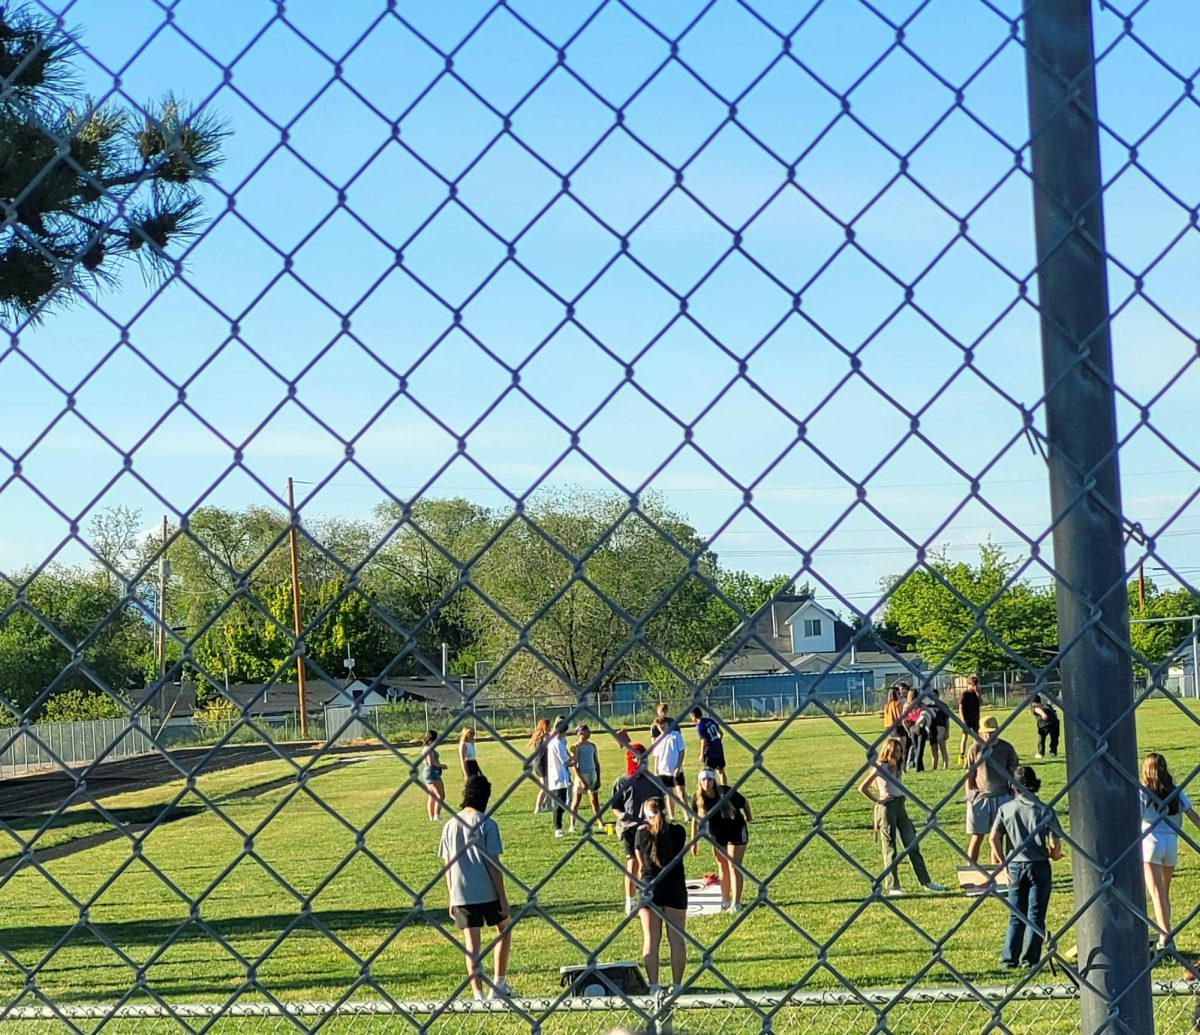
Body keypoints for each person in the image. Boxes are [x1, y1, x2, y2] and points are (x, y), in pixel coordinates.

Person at [437, 774, 513, 1000]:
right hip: (486, 890)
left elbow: (448, 865)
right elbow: (493, 866)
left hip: (461, 893)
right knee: (504, 928)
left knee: (472, 945)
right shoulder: (487, 823)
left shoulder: (450, 824)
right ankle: (498, 984)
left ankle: (477, 994)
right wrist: (503, 898)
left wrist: (452, 896)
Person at [989, 764, 1063, 969]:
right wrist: (1054, 854)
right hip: (1039, 865)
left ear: (1014, 786)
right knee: (1035, 915)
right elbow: (1055, 844)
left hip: (1014, 865)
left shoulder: (1006, 809)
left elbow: (993, 838)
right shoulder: (1045, 810)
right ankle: (1029, 959)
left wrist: (1002, 860)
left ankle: (1008, 957)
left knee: (1016, 914)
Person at [857, 737, 945, 896]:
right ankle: (893, 887)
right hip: (887, 807)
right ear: (888, 751)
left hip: (901, 806)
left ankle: (926, 882)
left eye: (899, 751)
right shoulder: (880, 766)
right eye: (895, 751)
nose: (898, 754)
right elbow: (862, 787)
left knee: (912, 842)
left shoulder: (898, 767)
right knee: (890, 847)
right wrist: (878, 799)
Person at [1139, 752, 1200, 951]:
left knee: (1157, 895)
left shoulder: (1142, 792)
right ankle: (1165, 932)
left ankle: (1166, 938)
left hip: (1150, 843)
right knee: (1164, 893)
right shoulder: (1175, 791)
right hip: (1171, 844)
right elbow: (1193, 816)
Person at [634, 796, 688, 994]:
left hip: (650, 889)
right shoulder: (679, 832)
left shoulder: (641, 835)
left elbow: (640, 863)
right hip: (675, 888)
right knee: (676, 940)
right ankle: (677, 985)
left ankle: (654, 986)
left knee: (651, 939)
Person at [690, 769, 752, 912]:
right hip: (718, 836)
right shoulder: (697, 799)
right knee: (722, 867)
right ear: (700, 782)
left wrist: (749, 817)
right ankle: (725, 900)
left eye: (710, 779)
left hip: (735, 831)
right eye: (703, 780)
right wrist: (694, 842)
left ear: (714, 780)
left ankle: (736, 903)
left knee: (733, 866)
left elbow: (744, 803)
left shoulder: (725, 792)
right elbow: (694, 820)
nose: (707, 783)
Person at [964, 716, 1019, 864]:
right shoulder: (975, 748)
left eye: (992, 732)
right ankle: (971, 867)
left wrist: (1014, 795)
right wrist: (969, 799)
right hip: (980, 797)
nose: (988, 735)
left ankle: (997, 869)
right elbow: (969, 775)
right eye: (986, 732)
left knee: (997, 836)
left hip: (1002, 797)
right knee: (977, 835)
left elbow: (1014, 774)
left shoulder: (1006, 748)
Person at [611, 744, 657, 915]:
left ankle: (644, 897)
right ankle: (629, 901)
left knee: (647, 864)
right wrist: (622, 816)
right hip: (630, 828)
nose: (640, 761)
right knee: (633, 862)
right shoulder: (622, 781)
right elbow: (615, 807)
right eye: (637, 757)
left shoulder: (653, 780)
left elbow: (659, 803)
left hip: (649, 827)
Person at [568, 724, 602, 834]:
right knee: (576, 801)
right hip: (582, 775)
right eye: (587, 731)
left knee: (594, 800)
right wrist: (581, 780)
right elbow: (574, 765)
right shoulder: (576, 747)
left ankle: (600, 822)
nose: (589, 733)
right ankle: (572, 825)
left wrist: (598, 778)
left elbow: (596, 762)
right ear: (580, 733)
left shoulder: (592, 746)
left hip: (592, 774)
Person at [651, 717, 686, 820]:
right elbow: (656, 756)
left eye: (663, 724)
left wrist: (678, 767)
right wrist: (656, 770)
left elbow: (681, 752)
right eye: (659, 725)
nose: (661, 727)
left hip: (676, 770)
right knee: (669, 794)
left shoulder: (675, 736)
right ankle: (672, 817)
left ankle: (686, 815)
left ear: (667, 724)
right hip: (663, 771)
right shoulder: (658, 740)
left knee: (681, 793)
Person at [546, 718, 572, 839]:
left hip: (555, 775)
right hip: (559, 776)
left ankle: (558, 826)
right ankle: (558, 827)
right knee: (559, 803)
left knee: (560, 802)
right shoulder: (558, 743)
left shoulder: (553, 742)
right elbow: (566, 761)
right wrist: (576, 756)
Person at [691, 706, 727, 785]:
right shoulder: (710, 720)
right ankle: (725, 790)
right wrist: (717, 741)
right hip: (719, 748)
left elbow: (703, 740)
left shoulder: (700, 726)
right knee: (721, 771)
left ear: (693, 716)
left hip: (710, 752)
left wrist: (701, 754)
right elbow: (721, 733)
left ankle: (712, 791)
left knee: (710, 773)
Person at [420, 730, 446, 822]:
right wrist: (442, 765)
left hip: (427, 773)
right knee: (440, 795)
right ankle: (436, 815)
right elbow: (431, 762)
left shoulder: (425, 748)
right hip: (432, 772)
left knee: (431, 796)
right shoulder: (429, 748)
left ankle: (431, 817)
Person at [527, 718, 550, 815]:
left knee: (548, 786)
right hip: (541, 764)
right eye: (548, 726)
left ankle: (544, 804)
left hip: (542, 763)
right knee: (544, 787)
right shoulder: (544, 738)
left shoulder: (540, 737)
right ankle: (538, 808)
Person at [958, 675, 982, 765]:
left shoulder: (976, 694)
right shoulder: (965, 694)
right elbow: (960, 707)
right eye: (972, 685)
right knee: (964, 737)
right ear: (969, 684)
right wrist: (962, 719)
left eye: (975, 685)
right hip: (967, 719)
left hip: (975, 718)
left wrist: (978, 694)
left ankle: (975, 754)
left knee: (976, 737)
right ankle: (962, 755)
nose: (974, 687)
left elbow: (981, 702)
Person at [1030, 695, 1060, 759]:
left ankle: (1041, 753)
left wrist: (1043, 714)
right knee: (1054, 738)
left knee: (1042, 738)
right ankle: (1053, 752)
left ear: (1033, 702)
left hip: (1044, 724)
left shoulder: (1034, 706)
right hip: (1054, 722)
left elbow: (1037, 709)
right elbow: (1055, 713)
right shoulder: (1046, 705)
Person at [929, 689, 951, 771]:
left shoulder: (943, 706)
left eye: (934, 695)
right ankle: (934, 766)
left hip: (941, 727)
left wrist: (947, 731)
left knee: (942, 748)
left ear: (938, 696)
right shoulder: (929, 706)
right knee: (933, 749)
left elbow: (947, 720)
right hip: (932, 729)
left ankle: (945, 765)